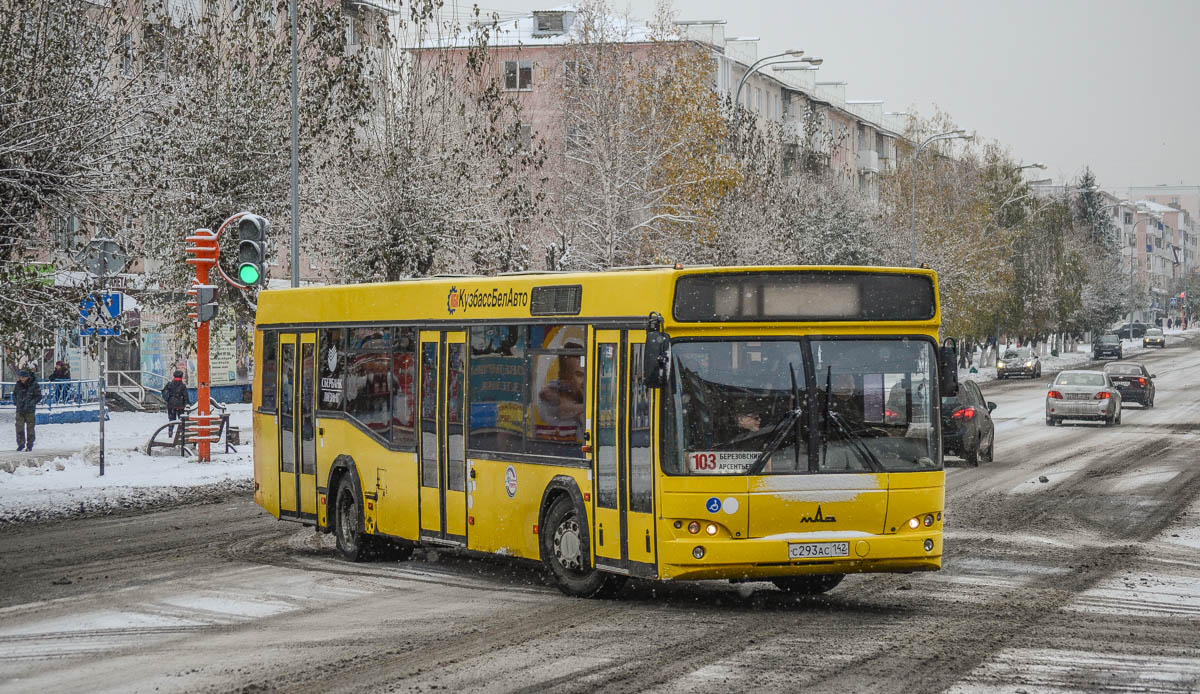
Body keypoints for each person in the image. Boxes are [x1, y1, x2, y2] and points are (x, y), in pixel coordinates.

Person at [13, 369, 41, 452]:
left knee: (30, 428)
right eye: (20, 377)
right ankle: (21, 444)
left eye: (23, 377)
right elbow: (14, 394)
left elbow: (38, 396)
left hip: (30, 410)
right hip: (20, 409)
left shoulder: (34, 385)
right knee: (19, 427)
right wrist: (16, 402)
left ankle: (30, 445)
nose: (21, 379)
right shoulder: (18, 385)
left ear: (27, 377)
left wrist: (31, 403)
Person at [162, 370, 188, 437]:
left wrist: (168, 400)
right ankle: (181, 434)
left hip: (171, 405)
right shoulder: (183, 386)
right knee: (181, 420)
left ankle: (170, 431)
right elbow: (185, 396)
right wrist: (186, 404)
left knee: (171, 420)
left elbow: (164, 393)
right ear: (181, 377)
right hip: (180, 406)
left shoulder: (169, 384)